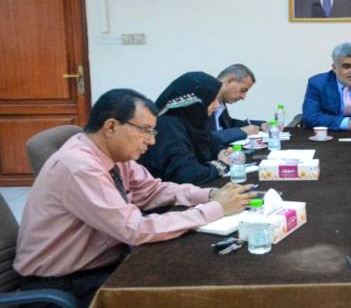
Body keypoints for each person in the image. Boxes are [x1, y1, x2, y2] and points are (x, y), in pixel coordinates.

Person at [13, 89, 253, 307]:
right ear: (110, 127)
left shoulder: (114, 155)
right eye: (145, 130)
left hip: (103, 265)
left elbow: (152, 191)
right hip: (64, 286)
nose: (152, 140)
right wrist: (215, 209)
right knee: (187, 293)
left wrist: (210, 194)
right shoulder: (80, 167)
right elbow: (135, 229)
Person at [140, 72, 232, 185]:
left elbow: (212, 142)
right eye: (212, 100)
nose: (217, 105)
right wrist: (221, 165)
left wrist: (221, 152)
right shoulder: (168, 126)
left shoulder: (194, 121)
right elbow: (188, 175)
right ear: (194, 103)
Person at [210, 64, 267, 145]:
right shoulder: (201, 102)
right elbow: (204, 138)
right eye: (243, 90)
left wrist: (261, 125)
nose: (243, 97)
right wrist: (241, 131)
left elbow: (230, 124)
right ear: (230, 81)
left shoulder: (221, 101)